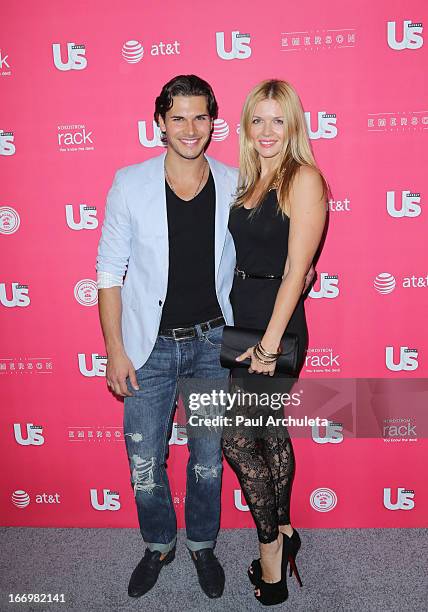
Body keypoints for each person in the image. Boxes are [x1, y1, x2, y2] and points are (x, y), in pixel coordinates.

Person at [95, 75, 238, 600]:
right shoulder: (129, 183)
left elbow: (259, 251)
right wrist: (115, 350)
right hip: (147, 347)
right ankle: (158, 543)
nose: (190, 128)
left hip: (211, 343)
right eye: (178, 117)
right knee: (145, 461)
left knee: (206, 458)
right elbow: (109, 271)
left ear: (213, 122)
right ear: (159, 122)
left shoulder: (235, 180)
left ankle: (202, 543)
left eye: (200, 116)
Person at [222, 79, 327, 606]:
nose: (266, 131)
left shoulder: (303, 178)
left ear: (293, 126)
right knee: (267, 434)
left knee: (237, 440)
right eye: (257, 120)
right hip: (239, 324)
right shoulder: (249, 181)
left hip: (275, 328)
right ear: (246, 125)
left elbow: (296, 271)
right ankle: (285, 533)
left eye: (277, 120)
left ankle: (271, 560)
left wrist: (267, 345)